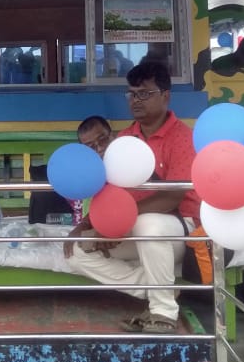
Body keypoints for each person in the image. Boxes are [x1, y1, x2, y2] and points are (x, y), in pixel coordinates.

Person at [64, 62, 198, 333]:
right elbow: (111, 194)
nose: (136, 100)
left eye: (144, 93)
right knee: (77, 250)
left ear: (165, 95)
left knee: (149, 224)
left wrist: (120, 225)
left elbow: (172, 198)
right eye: (132, 94)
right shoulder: (124, 140)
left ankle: (163, 312)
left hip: (182, 230)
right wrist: (87, 225)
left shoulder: (182, 137)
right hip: (134, 229)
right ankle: (160, 289)